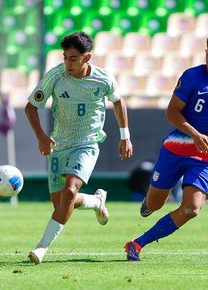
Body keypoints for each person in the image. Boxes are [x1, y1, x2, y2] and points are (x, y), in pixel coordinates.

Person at [124, 32, 208, 261]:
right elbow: (172, 112)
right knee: (154, 204)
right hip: (175, 150)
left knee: (192, 208)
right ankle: (148, 201)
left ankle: (138, 244)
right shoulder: (192, 77)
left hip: (204, 157)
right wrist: (196, 134)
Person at [25, 31, 133, 264]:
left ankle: (42, 248)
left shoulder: (103, 78)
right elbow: (31, 107)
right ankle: (95, 202)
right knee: (62, 204)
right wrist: (42, 137)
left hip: (86, 143)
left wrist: (125, 136)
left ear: (87, 58)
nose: (67, 62)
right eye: (65, 57)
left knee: (70, 192)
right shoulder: (55, 76)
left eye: (73, 58)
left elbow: (117, 100)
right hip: (58, 145)